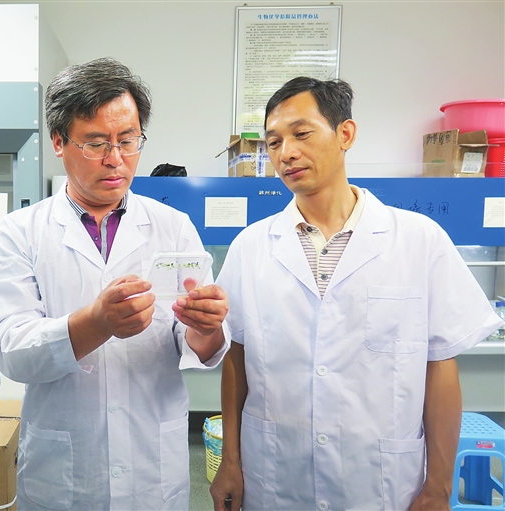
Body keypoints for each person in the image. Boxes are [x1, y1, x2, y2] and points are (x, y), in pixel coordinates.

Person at [210, 77, 505, 511]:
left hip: (380, 483)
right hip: (276, 476)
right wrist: (231, 461)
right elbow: (236, 357)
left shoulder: (419, 240)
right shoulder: (250, 247)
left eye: (301, 133)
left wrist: (439, 486)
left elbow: (440, 365)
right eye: (274, 142)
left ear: (345, 134)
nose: (286, 152)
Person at [0, 57, 230, 510]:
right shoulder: (20, 232)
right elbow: (11, 350)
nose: (115, 158)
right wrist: (95, 323)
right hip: (64, 472)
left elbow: (197, 343)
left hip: (152, 470)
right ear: (59, 141)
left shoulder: (173, 226)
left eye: (128, 140)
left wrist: (206, 327)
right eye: (96, 143)